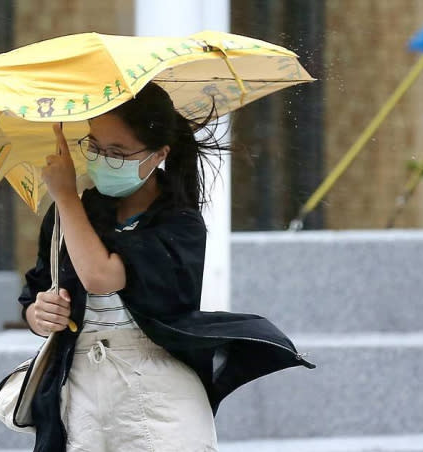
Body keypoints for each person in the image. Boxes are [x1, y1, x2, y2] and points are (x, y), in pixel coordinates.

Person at [18, 82, 315, 452]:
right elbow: (36, 293)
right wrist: (39, 313)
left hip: (158, 386)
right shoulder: (72, 213)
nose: (101, 159)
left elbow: (101, 277)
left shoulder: (179, 223)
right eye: (93, 146)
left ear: (158, 154)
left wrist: (64, 195)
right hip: (78, 389)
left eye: (118, 152)